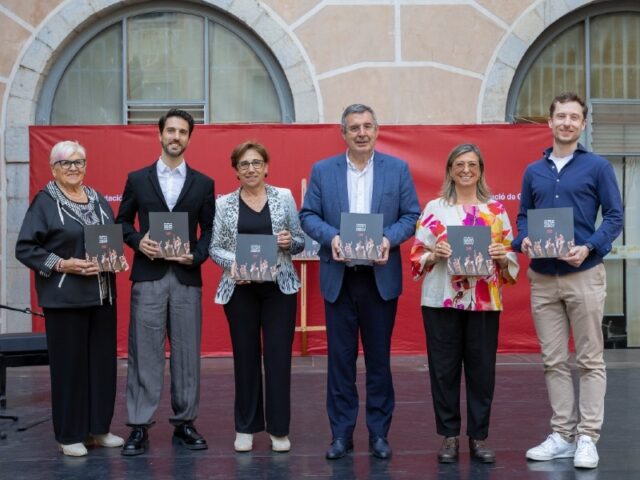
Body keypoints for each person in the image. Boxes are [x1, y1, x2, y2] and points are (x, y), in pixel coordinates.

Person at [299, 104, 420, 460]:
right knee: (340, 362)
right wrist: (333, 238)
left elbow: (411, 215)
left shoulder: (397, 169)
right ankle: (341, 434)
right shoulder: (323, 170)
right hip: (340, 278)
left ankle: (379, 433)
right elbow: (308, 216)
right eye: (354, 128)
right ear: (343, 133)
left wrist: (387, 239)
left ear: (377, 130)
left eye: (367, 126)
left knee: (379, 362)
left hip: (379, 279)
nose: (362, 133)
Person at [512, 92, 623, 469]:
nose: (567, 123)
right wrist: (524, 240)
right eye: (561, 116)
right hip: (543, 278)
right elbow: (523, 217)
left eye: (574, 117)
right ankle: (562, 435)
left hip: (584, 274)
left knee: (590, 359)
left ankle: (587, 437)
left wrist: (589, 246)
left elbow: (614, 216)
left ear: (583, 124)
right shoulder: (534, 171)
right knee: (553, 360)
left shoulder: (598, 167)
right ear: (550, 122)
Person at [410, 143, 519, 464]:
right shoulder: (435, 208)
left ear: (481, 170)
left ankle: (478, 437)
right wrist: (434, 254)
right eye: (459, 164)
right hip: (440, 300)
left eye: (472, 164)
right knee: (443, 371)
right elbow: (417, 255)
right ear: (450, 170)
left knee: (482, 371)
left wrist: (502, 257)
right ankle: (449, 436)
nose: (466, 170)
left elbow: (510, 256)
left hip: (484, 303)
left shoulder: (496, 210)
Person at [116, 108, 215, 456]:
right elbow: (122, 222)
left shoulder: (203, 183)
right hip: (149, 276)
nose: (176, 137)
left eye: (182, 132)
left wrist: (197, 255)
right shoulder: (137, 179)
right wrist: (137, 241)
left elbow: (210, 229)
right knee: (144, 352)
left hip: (186, 277)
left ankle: (185, 422)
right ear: (160, 135)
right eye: (171, 130)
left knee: (187, 353)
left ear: (189, 138)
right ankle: (139, 425)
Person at [15, 140, 123, 456]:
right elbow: (25, 248)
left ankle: (98, 429)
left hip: (102, 296)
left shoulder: (98, 199)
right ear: (54, 168)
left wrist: (115, 258)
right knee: (69, 368)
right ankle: (69, 435)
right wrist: (63, 264)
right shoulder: (45, 202)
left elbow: (108, 240)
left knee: (102, 366)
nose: (73, 168)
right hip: (65, 299)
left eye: (79, 162)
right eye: (66, 163)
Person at [209, 141, 305, 453]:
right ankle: (246, 428)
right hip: (240, 289)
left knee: (278, 359)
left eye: (256, 163)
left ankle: (279, 430)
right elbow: (214, 248)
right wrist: (236, 264)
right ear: (236, 171)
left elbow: (300, 241)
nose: (251, 169)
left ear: (266, 167)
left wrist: (290, 242)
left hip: (279, 288)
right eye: (244, 164)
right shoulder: (224, 204)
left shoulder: (284, 197)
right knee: (245, 358)